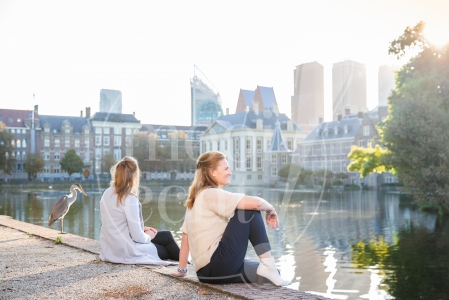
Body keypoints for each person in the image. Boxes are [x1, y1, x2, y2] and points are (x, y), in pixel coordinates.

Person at [172, 151, 291, 286]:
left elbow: (185, 237)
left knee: (273, 274)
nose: (230, 172)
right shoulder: (211, 194)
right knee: (249, 211)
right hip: (218, 264)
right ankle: (269, 265)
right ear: (213, 172)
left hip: (206, 274)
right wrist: (271, 209)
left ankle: (270, 268)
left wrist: (182, 269)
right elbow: (257, 204)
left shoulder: (195, 199)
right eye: (226, 169)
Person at [99, 156, 179, 265]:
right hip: (126, 251)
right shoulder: (129, 198)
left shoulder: (107, 193)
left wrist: (143, 229)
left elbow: (116, 223)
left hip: (111, 249)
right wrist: (149, 236)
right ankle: (188, 266)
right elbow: (137, 237)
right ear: (135, 176)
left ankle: (187, 265)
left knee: (167, 235)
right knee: (167, 248)